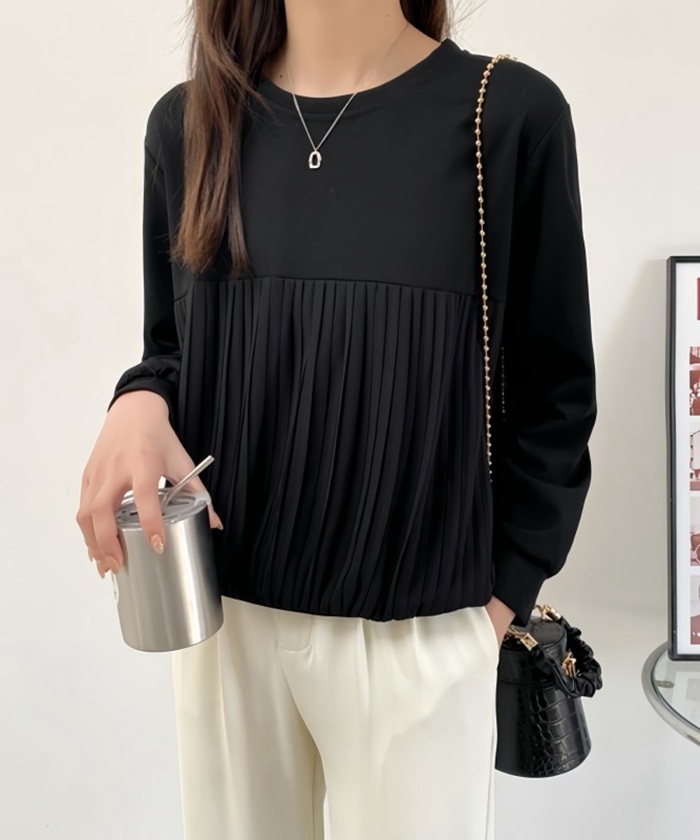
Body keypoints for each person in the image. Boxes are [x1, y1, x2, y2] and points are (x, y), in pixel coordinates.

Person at [76, 2, 596, 838]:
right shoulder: (188, 124)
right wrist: (138, 398)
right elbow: (174, 347)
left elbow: (554, 394)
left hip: (419, 635)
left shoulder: (504, 116)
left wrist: (494, 607)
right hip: (226, 627)